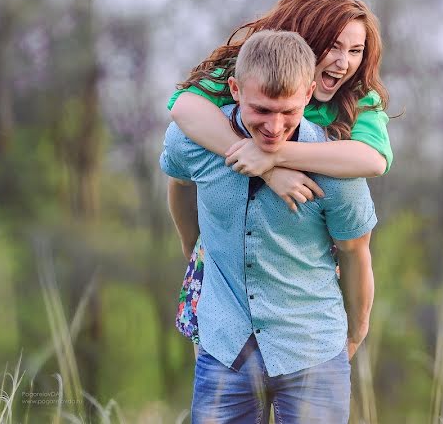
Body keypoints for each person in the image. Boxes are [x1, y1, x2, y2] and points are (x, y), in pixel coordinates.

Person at [161, 30, 376, 422]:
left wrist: (356, 332)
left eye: (288, 112)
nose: (274, 128)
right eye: (261, 110)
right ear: (235, 89)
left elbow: (356, 250)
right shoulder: (191, 142)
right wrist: (194, 248)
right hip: (224, 347)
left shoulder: (338, 173)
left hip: (312, 348)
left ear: (309, 94)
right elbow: (178, 183)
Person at [166, 0, 392, 346]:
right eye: (333, 46)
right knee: (219, 369)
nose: (343, 62)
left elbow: (373, 159)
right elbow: (183, 106)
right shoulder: (254, 69)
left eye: (355, 50)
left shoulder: (357, 99)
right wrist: (268, 170)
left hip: (303, 265)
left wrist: (274, 155)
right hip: (228, 254)